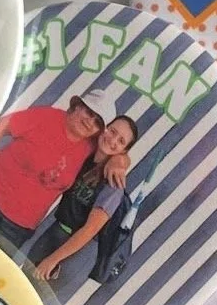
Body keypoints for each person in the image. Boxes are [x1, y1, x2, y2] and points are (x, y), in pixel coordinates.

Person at [0, 92, 127, 251]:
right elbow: (2, 124)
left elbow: (116, 150)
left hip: (18, 227)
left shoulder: (90, 146)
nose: (90, 122)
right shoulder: (48, 117)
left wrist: (120, 160)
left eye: (97, 122)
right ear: (77, 106)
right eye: (89, 112)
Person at [31, 115, 139, 286]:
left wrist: (53, 259)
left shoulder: (113, 185)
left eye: (121, 141)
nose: (113, 140)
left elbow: (90, 229)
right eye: (112, 131)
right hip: (55, 230)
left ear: (124, 150)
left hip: (76, 251)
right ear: (104, 127)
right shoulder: (86, 154)